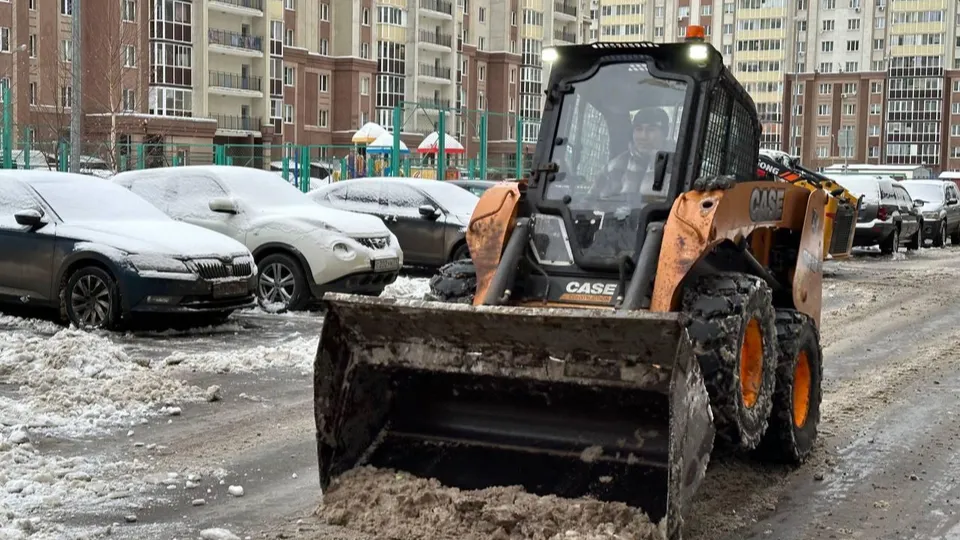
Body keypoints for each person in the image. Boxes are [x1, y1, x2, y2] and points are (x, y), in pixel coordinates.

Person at [590, 107, 671, 199]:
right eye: (638, 129)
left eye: (651, 129)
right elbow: (592, 202)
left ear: (665, 133)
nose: (643, 136)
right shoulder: (615, 167)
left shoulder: (677, 166)